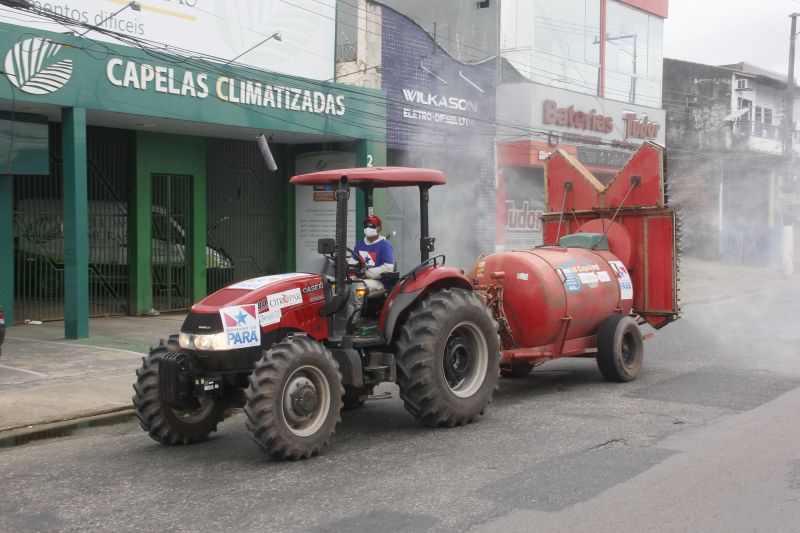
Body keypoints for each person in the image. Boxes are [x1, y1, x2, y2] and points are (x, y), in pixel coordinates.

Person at [350, 214, 395, 293]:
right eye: (366, 226)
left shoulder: (385, 245)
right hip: (360, 278)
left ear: (379, 228)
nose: (368, 228)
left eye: (371, 226)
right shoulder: (360, 244)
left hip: (379, 281)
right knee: (344, 285)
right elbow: (352, 262)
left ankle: (354, 306)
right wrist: (351, 275)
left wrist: (367, 274)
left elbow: (388, 267)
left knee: (358, 286)